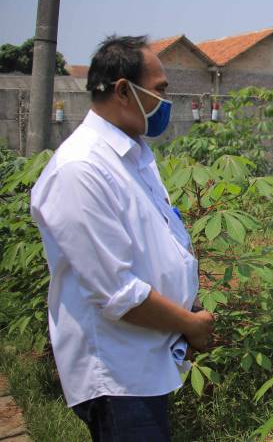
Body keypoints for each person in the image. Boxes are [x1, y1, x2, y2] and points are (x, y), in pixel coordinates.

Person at [30, 35, 214, 441]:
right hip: (117, 372)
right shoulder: (81, 169)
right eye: (160, 89)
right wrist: (191, 324)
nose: (167, 101)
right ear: (123, 91)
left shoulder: (133, 156)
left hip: (146, 359)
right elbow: (117, 293)